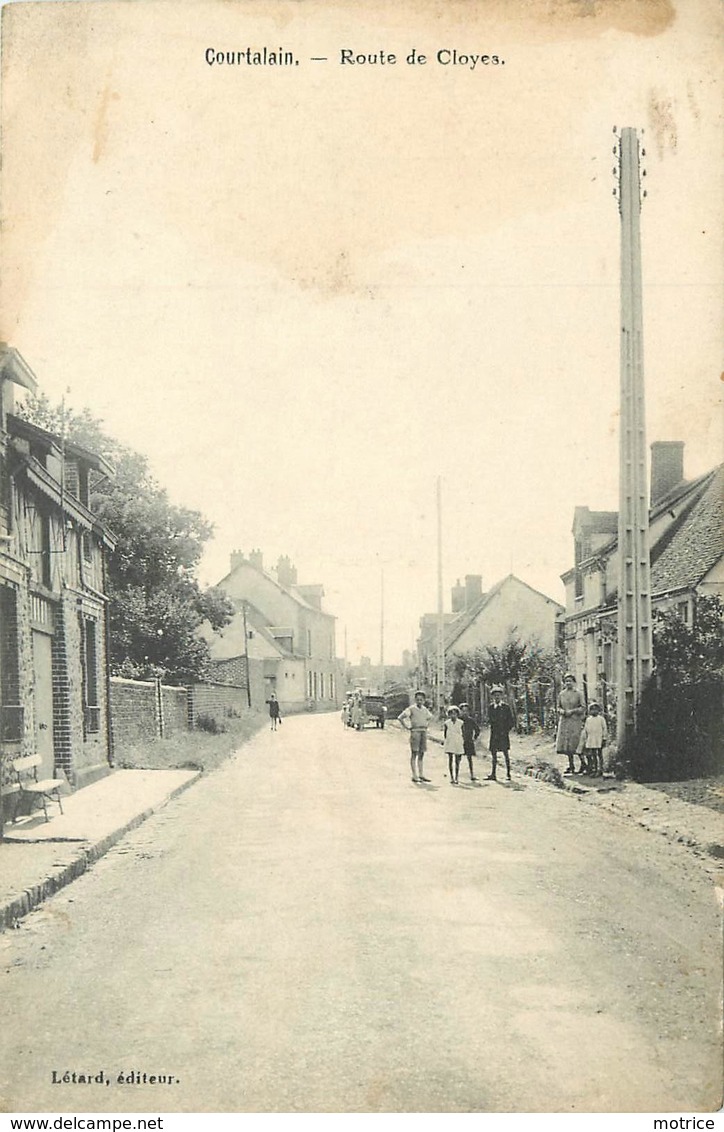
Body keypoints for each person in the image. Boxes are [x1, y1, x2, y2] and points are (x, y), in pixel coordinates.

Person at [398, 690, 434, 784]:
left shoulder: (424, 709)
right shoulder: (411, 708)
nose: (419, 701)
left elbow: (430, 717)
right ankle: (414, 775)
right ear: (415, 700)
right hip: (415, 732)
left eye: (421, 700)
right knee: (414, 753)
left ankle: (421, 774)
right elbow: (400, 717)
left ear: (424, 700)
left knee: (422, 753)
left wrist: (426, 725)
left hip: (423, 732)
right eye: (417, 700)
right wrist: (406, 727)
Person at [556, 672, 586, 774]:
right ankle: (571, 765)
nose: (568, 683)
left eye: (570, 681)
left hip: (575, 720)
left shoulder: (578, 693)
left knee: (576, 743)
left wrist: (572, 711)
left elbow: (583, 707)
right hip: (564, 721)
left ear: (574, 682)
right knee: (567, 744)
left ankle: (584, 764)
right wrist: (562, 711)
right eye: (566, 681)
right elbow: (558, 707)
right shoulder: (561, 694)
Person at [487, 684, 515, 781]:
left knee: (505, 754)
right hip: (494, 734)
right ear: (493, 697)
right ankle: (493, 774)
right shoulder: (491, 707)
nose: (497, 697)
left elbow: (511, 721)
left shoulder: (505, 707)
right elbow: (490, 720)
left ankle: (508, 773)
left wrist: (506, 730)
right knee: (493, 754)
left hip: (503, 734)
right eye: (495, 695)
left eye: (499, 695)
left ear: (501, 696)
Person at [579, 701, 608, 776]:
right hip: (591, 738)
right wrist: (585, 739)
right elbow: (586, 729)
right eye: (592, 709)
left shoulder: (601, 719)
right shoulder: (588, 719)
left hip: (598, 738)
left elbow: (604, 729)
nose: (594, 711)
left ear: (599, 710)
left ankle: (600, 769)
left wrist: (604, 738)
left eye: (596, 709)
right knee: (593, 754)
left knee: (599, 754)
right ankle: (594, 769)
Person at [443, 704, 465, 785]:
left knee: (457, 760)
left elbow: (463, 732)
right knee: (450, 760)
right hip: (450, 742)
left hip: (458, 742)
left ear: (457, 714)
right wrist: (446, 741)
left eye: (455, 713)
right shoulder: (447, 723)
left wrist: (462, 741)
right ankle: (452, 777)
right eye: (451, 713)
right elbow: (445, 734)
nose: (453, 715)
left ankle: (457, 777)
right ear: (449, 715)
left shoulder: (461, 723)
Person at [459, 702, 480, 782]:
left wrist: (475, 737)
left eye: (466, 711)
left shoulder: (471, 720)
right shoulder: (458, 720)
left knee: (469, 758)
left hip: (469, 741)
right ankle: (456, 775)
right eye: (463, 711)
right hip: (460, 741)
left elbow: (477, 729)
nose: (465, 712)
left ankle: (472, 774)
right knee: (458, 758)